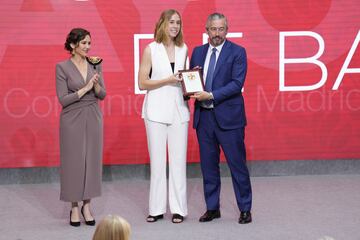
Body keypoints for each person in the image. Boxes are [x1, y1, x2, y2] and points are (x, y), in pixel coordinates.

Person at [190, 13, 252, 224]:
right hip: (204, 118)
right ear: (206, 29)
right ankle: (212, 208)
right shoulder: (197, 52)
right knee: (208, 167)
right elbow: (192, 81)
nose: (217, 34)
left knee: (237, 166)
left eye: (221, 29)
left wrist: (212, 95)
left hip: (230, 119)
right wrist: (188, 89)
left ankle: (245, 208)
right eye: (213, 29)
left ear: (227, 29)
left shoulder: (238, 52)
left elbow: (237, 84)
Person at [138, 9, 190, 223]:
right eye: (171, 22)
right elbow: (142, 83)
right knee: (158, 163)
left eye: (178, 22)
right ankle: (156, 209)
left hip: (179, 109)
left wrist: (191, 87)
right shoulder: (151, 49)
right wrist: (167, 80)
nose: (175, 26)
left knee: (178, 162)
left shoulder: (184, 48)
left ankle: (179, 209)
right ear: (162, 24)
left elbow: (186, 78)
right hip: (155, 111)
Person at [56, 28, 106, 227]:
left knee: (91, 162)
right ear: (73, 45)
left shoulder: (95, 64)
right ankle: (74, 207)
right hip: (71, 118)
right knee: (73, 163)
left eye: (89, 43)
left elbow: (102, 94)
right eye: (84, 43)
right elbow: (63, 99)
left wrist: (95, 86)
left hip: (93, 116)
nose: (88, 47)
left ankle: (87, 205)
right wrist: (85, 89)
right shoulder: (61, 67)